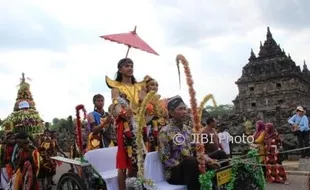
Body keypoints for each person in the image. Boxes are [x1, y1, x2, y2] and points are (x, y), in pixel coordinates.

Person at [106, 58, 145, 190]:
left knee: (138, 160)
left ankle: (134, 186)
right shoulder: (116, 87)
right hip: (125, 126)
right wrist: (122, 111)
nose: (130, 68)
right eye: (127, 66)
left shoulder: (139, 87)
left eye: (131, 65)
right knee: (124, 161)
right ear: (120, 69)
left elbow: (145, 104)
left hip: (140, 126)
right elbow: (115, 104)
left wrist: (144, 100)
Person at [158, 95, 201, 189]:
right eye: (180, 109)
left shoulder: (188, 130)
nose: (184, 112)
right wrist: (190, 163)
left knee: (219, 154)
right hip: (174, 173)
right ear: (171, 112)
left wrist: (204, 159)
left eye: (185, 109)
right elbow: (165, 159)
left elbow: (196, 150)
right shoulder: (165, 131)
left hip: (191, 166)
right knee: (190, 161)